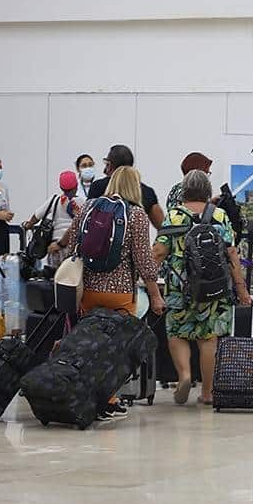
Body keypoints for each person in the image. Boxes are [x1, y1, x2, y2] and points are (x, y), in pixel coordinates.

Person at [64, 166, 165, 420]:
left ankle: (85, 396)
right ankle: (107, 401)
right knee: (113, 349)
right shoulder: (136, 215)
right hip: (119, 294)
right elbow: (143, 261)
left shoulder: (88, 208)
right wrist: (155, 294)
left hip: (87, 291)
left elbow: (71, 247)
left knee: (88, 345)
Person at [153, 170, 250, 405]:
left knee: (177, 332)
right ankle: (208, 393)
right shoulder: (219, 215)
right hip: (214, 288)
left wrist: (147, 279)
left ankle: (184, 374)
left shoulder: (174, 216)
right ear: (207, 191)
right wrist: (241, 290)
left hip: (180, 288)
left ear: (184, 190)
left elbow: (159, 251)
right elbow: (232, 254)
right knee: (209, 338)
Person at [88, 144, 165, 229]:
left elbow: (87, 219)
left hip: (100, 241)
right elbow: (162, 228)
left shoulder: (97, 187)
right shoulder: (147, 192)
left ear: (110, 166)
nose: (104, 171)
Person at [22, 171, 84, 269]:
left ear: (61, 188)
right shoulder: (83, 202)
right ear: (76, 186)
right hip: (74, 245)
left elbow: (37, 215)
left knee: (55, 277)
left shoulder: (54, 200)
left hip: (55, 246)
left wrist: (28, 224)